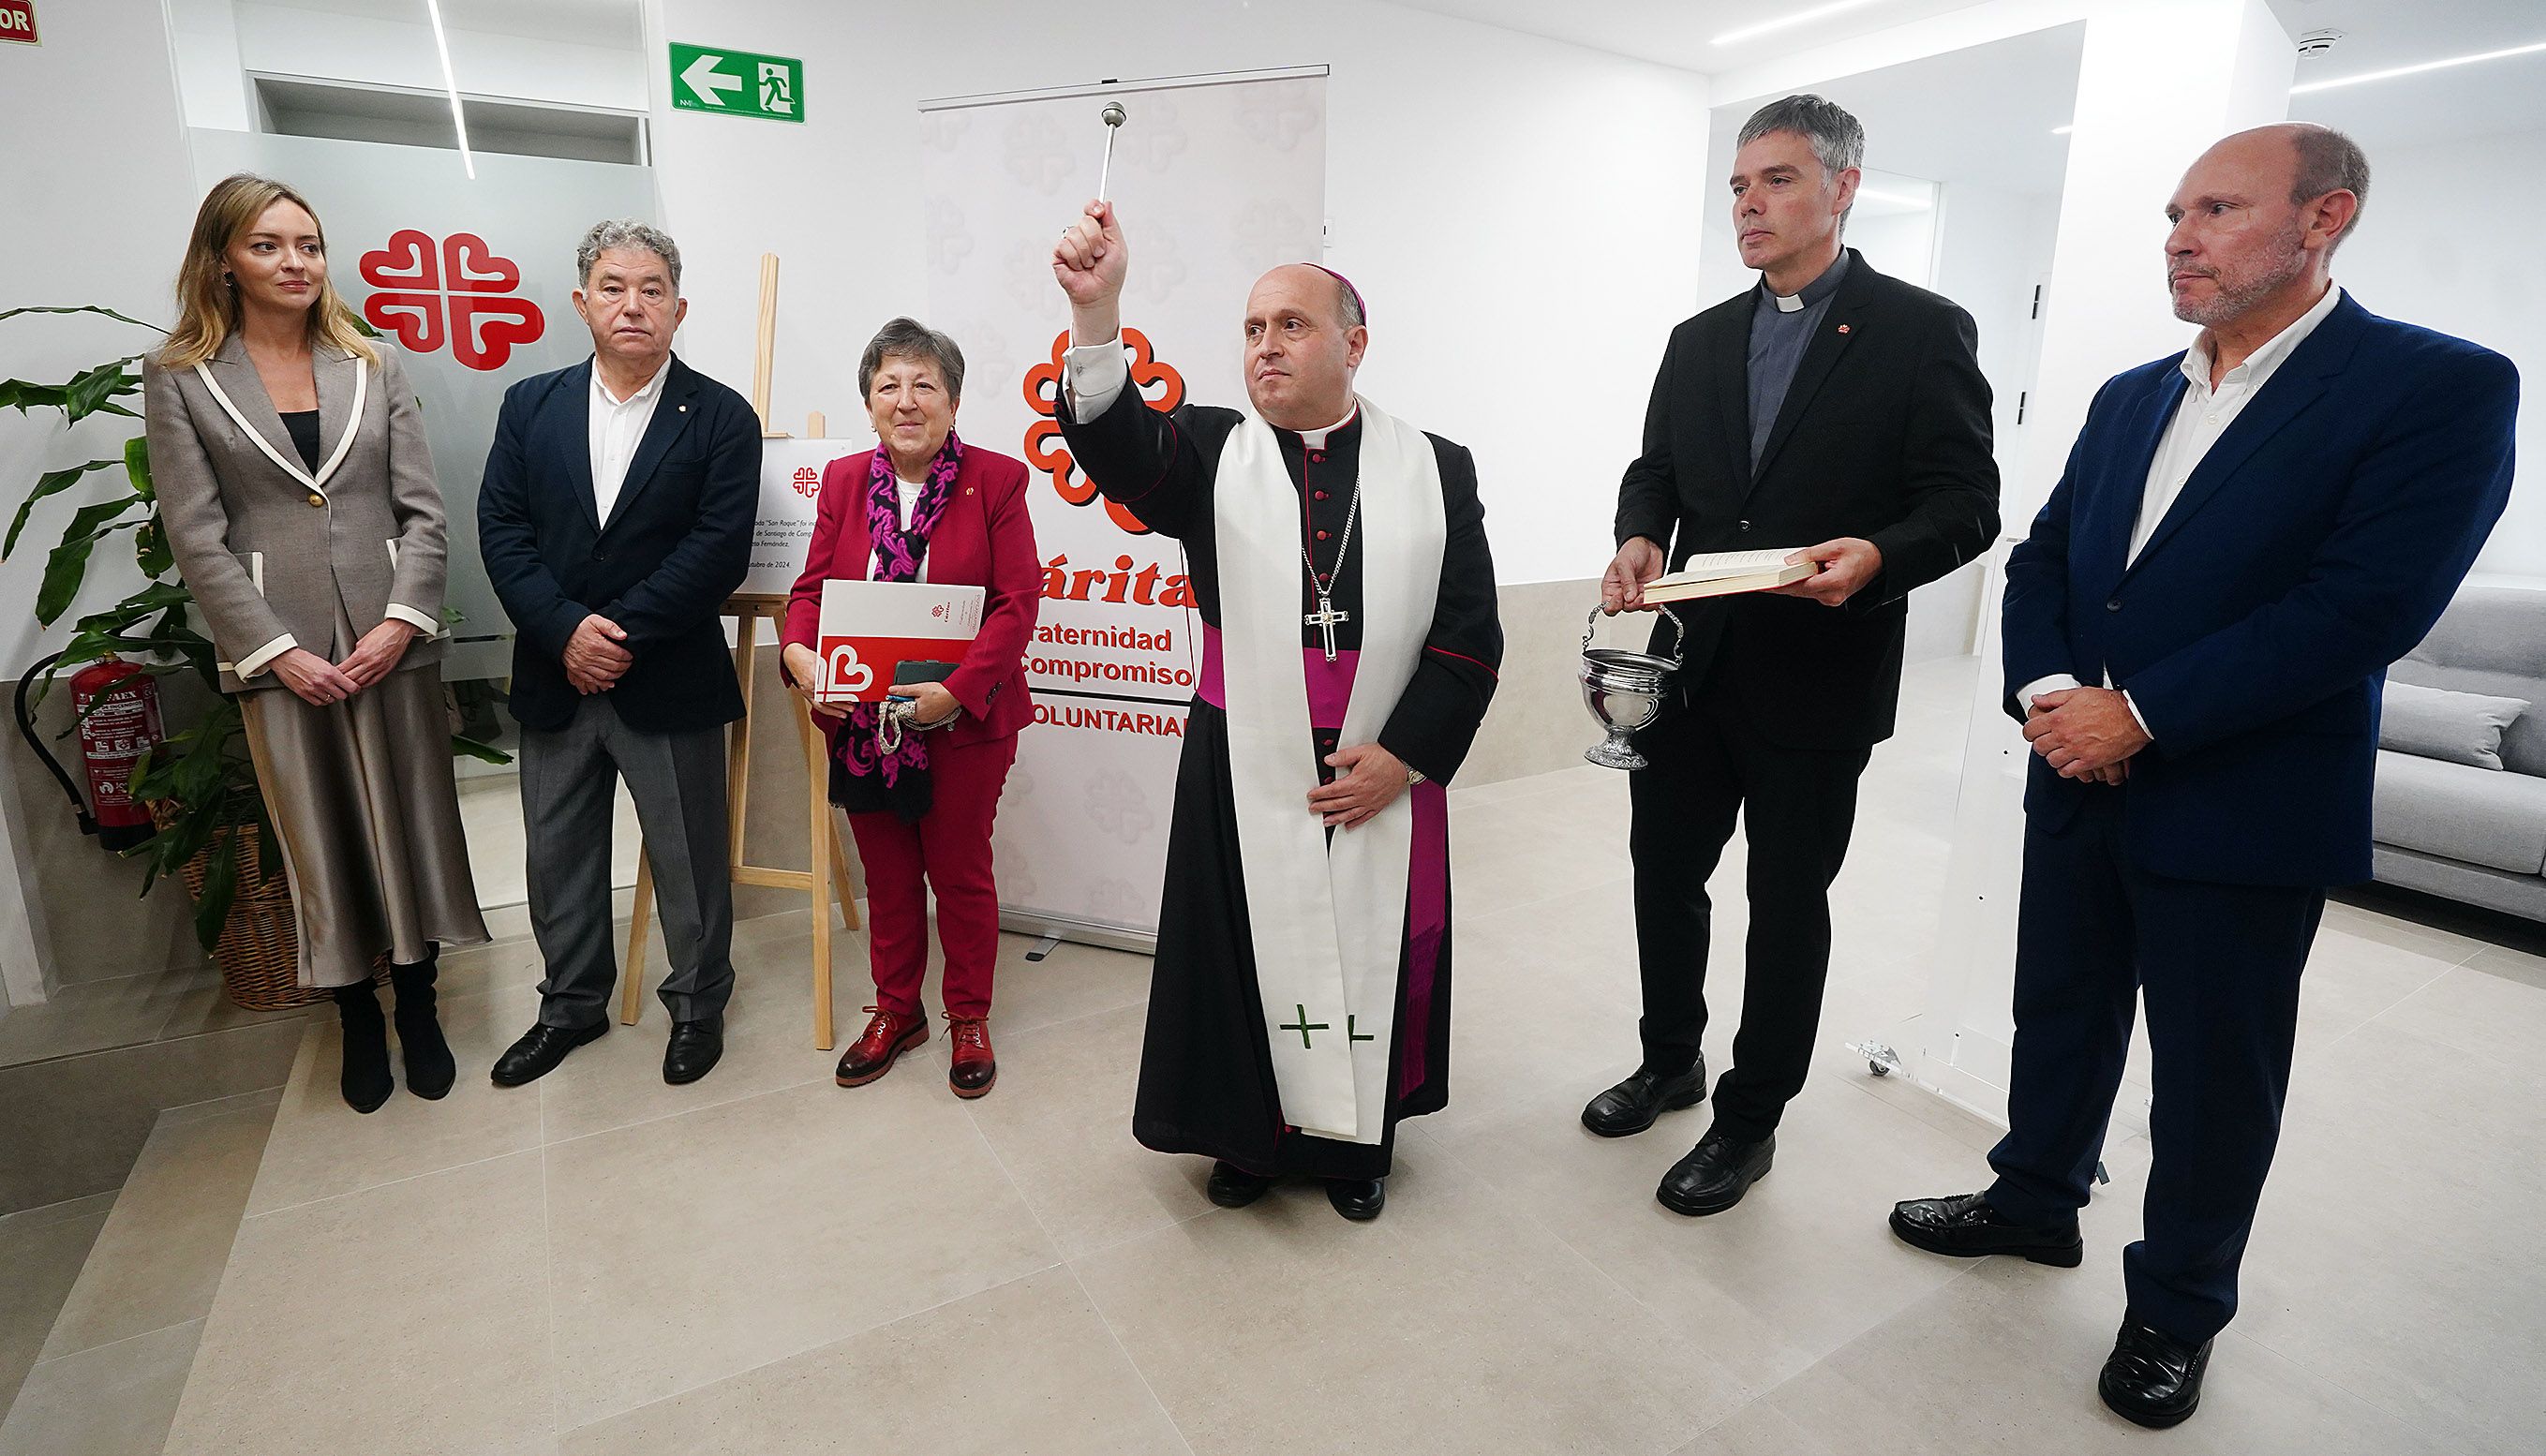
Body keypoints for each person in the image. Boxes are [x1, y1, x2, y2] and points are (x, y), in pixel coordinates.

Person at [1890, 125, 2517, 1429]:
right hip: (2076, 771)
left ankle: (2176, 1306)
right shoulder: (2133, 393)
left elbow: (2365, 605)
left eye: (2218, 208)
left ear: (2322, 218)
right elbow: (2044, 560)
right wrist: (2054, 698)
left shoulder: (2434, 385)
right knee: (2057, 1009)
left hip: (2244, 798)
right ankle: (2032, 1199)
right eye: (2175, 211)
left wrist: (2149, 714)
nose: (2178, 235)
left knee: (2213, 1073)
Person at [1050, 201, 1501, 1222]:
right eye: (1252, 329)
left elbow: (1470, 632)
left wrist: (1404, 755)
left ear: (1353, 343)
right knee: (1238, 942)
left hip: (1378, 751)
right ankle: (1245, 1136)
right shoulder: (1210, 452)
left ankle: (1353, 1148)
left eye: (1289, 325)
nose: (1264, 347)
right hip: (1241, 747)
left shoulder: (1437, 467)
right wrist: (1097, 313)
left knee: (1365, 945)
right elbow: (1116, 448)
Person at [1589, 95, 2000, 1214]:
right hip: (1690, 670)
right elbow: (1658, 472)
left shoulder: (1920, 330)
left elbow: (1967, 502)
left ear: (1841, 187)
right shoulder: (1700, 338)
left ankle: (1746, 1117)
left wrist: (1878, 554)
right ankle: (1668, 1058)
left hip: (1816, 677)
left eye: (1773, 180)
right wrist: (1636, 534)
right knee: (1663, 877)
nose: (1748, 205)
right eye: (1736, 185)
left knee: (1785, 901)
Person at [147, 172, 488, 1114]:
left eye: (308, 244)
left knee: (412, 821)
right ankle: (353, 1016)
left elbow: (424, 510)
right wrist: (273, 650)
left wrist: (400, 621)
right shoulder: (182, 377)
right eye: (268, 245)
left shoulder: (374, 362)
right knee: (317, 833)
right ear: (224, 260)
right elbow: (194, 531)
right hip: (280, 652)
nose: (295, 262)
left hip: (392, 641)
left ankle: (417, 1004)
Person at [477, 219, 761, 1089]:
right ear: (581, 301)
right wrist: (563, 629)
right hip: (554, 673)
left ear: (679, 308)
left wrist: (617, 635)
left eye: (651, 290)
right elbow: (502, 531)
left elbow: (718, 550)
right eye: (612, 287)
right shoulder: (531, 403)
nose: (631, 305)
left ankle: (698, 1003)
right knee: (556, 852)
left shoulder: (720, 414)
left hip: (665, 673)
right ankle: (569, 1008)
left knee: (687, 856)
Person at [780, 319, 1038, 1099]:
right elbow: (810, 594)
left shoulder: (997, 480)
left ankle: (966, 1015)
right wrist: (799, 658)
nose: (907, 400)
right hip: (864, 725)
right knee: (887, 878)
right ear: (868, 403)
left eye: (925, 383)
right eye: (889, 384)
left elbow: (1016, 603)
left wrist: (953, 693)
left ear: (953, 401)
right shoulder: (846, 482)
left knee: (958, 874)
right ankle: (898, 1009)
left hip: (962, 721)